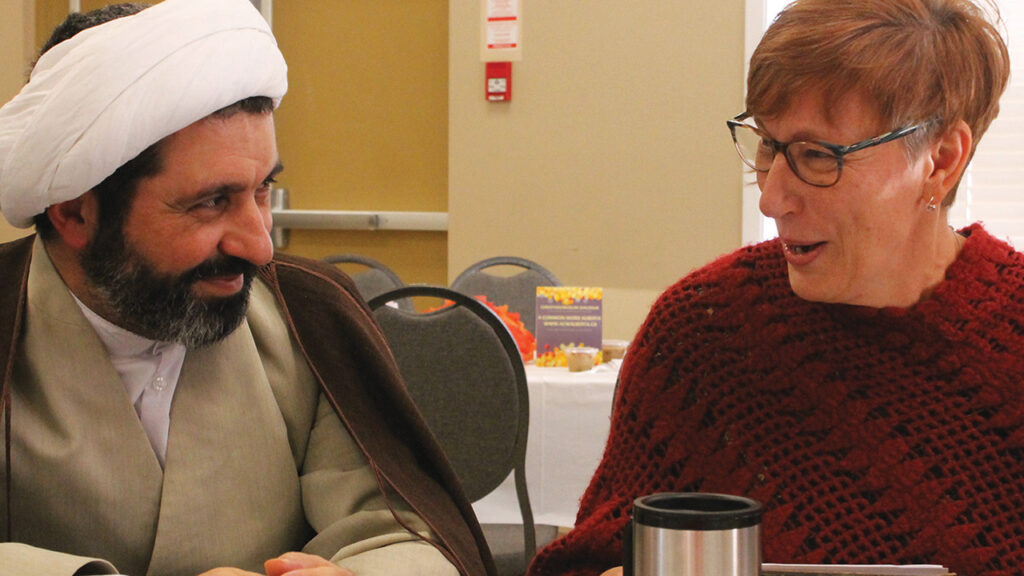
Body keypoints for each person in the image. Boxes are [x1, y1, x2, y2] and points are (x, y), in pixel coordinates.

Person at [527, 1, 1022, 575]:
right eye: (768, 145)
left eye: (818, 156)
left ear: (940, 159)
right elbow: (588, 558)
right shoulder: (704, 332)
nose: (771, 198)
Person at [0, 1, 494, 575]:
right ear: (75, 214)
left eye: (262, 191)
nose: (260, 246)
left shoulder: (306, 317)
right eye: (212, 202)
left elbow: (403, 533)